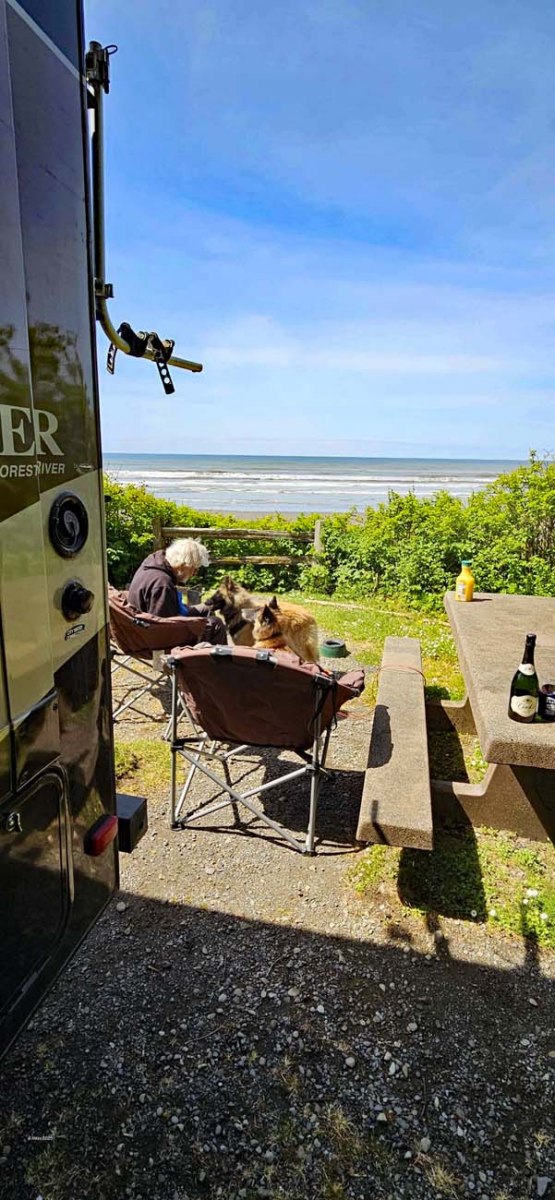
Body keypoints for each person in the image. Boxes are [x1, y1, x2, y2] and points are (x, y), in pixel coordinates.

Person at [127, 538, 227, 644]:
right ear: (183, 565)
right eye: (195, 568)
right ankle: (218, 654)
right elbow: (164, 629)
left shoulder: (152, 566)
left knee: (207, 610)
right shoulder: (162, 583)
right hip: (152, 638)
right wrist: (196, 623)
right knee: (215, 624)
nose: (195, 573)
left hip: (145, 628)